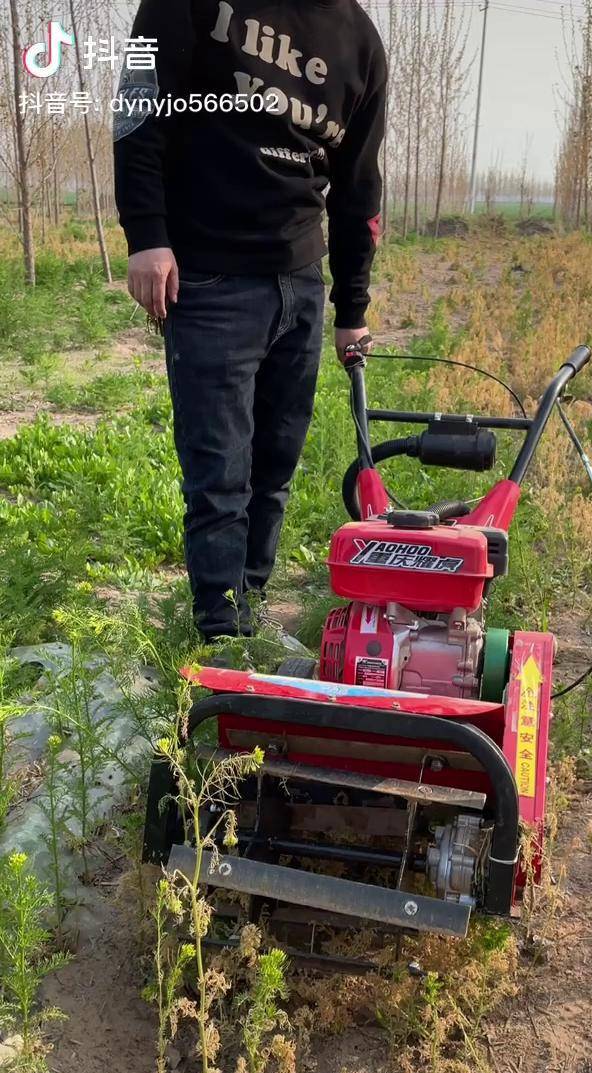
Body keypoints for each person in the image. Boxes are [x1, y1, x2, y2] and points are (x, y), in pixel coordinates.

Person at [114, 1, 386, 640]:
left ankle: (249, 609)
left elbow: (358, 183)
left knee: (274, 469)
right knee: (219, 478)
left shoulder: (360, 40)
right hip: (211, 275)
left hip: (300, 281)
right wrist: (146, 235)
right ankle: (220, 635)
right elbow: (138, 108)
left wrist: (352, 307)